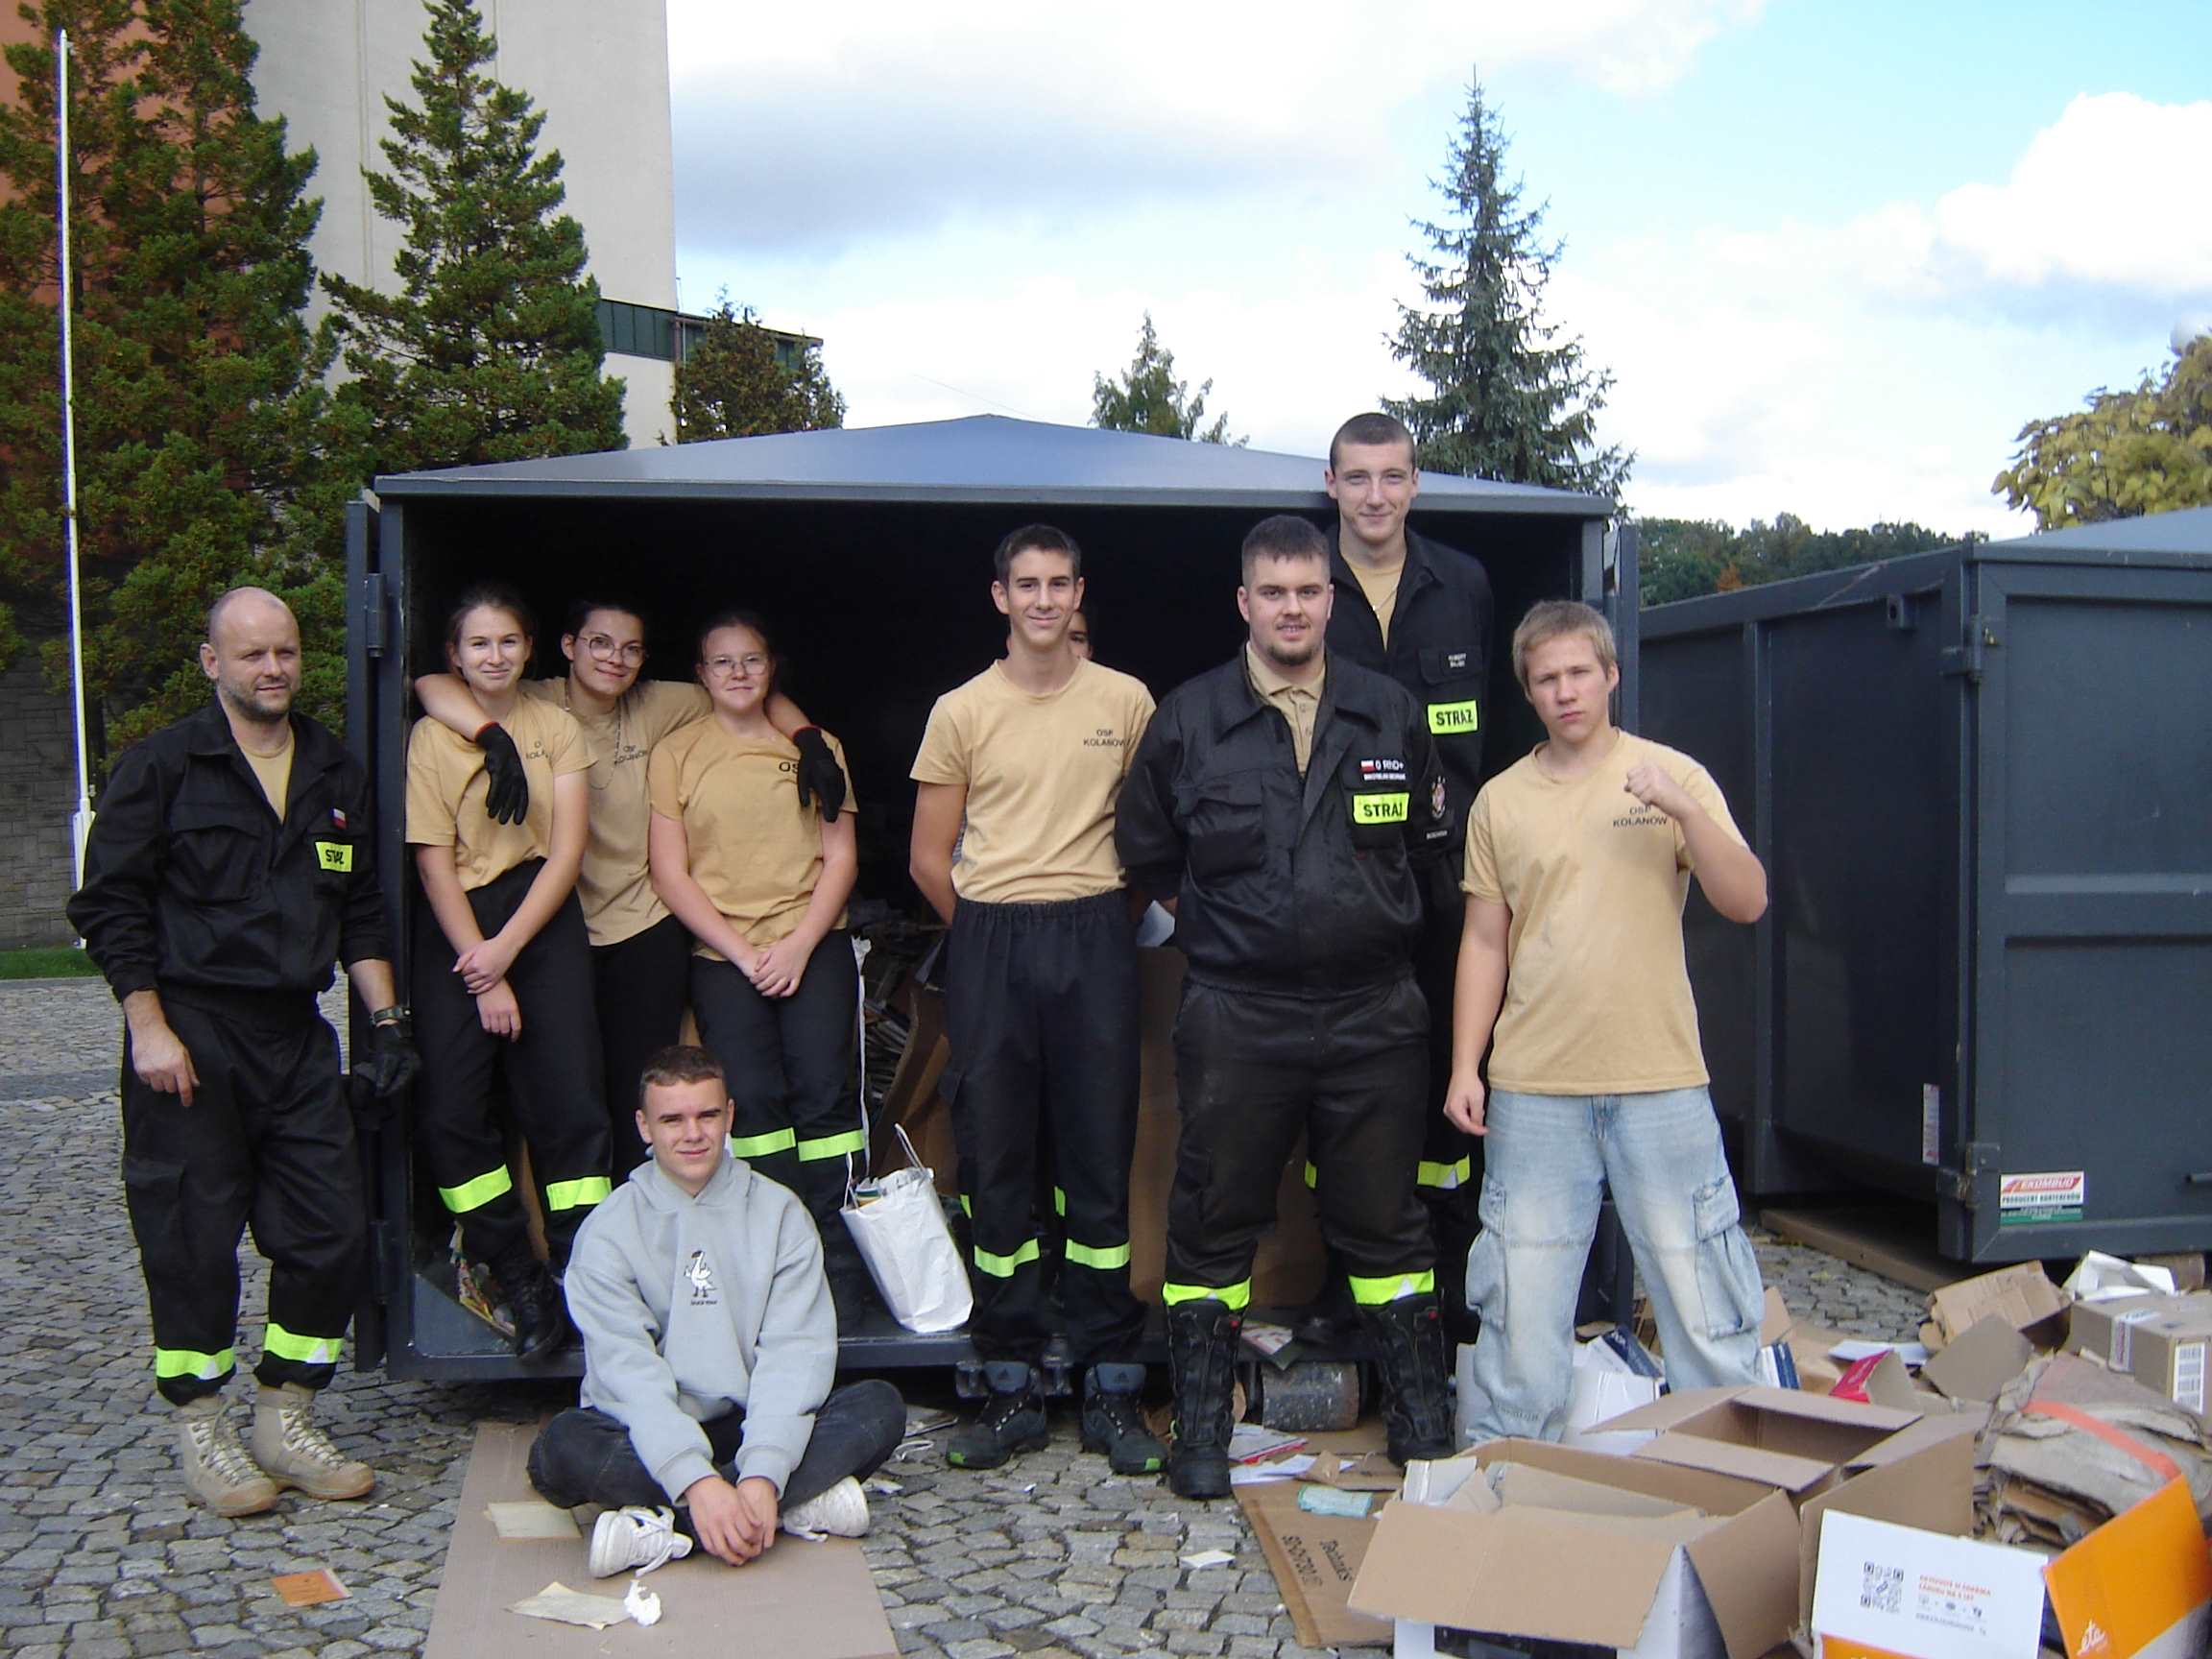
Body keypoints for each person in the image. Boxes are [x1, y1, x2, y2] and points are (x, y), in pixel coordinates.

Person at [1116, 515, 1456, 1500]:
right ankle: (1202, 1432)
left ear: (1330, 600)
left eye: (1308, 591)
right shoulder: (1189, 719)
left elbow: (1428, 850)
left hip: (1374, 1014)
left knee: (1387, 1223)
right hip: (1239, 1013)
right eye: (1274, 592)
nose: (1293, 609)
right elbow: (1148, 852)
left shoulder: (1389, 712)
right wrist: (1233, 930)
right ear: (1245, 603)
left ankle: (1421, 1420)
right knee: (1212, 1219)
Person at [67, 587, 420, 1517]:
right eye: (253, 654)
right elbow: (110, 906)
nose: (273, 669)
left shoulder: (333, 770)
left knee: (332, 1229)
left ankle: (285, 1415)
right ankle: (201, 1427)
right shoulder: (162, 767)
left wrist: (386, 1022)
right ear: (212, 662)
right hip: (190, 1032)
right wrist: (148, 1027)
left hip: (294, 1035)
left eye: (286, 652)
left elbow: (362, 910)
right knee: (191, 1237)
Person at [1448, 600, 1769, 1443]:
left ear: (1611, 675)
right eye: (1546, 679)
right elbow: (1484, 941)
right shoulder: (1500, 802)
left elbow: (1747, 900)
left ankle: (1733, 1470)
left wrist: (1685, 812)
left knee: (1700, 1290)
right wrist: (1464, 1066)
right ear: (1528, 690)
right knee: (1522, 1305)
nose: (1565, 692)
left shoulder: (1672, 776)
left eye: (1579, 674)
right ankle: (1510, 1471)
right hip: (1534, 1089)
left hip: (1660, 1079)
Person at [414, 596, 846, 1172]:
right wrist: (490, 732)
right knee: (558, 1087)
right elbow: (431, 684)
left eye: (631, 649)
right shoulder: (535, 699)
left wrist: (808, 737)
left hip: (641, 921)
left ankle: (647, 1203)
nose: (614, 659)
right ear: (567, 647)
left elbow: (748, 685)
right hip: (553, 924)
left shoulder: (660, 704)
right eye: (599, 643)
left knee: (638, 1086)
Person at [908, 524, 1165, 1476]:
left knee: (1098, 1157)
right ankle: (1008, 1381)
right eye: (1028, 584)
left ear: (1078, 592)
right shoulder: (961, 710)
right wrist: (989, 934)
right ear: (1001, 597)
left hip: (1096, 933)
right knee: (997, 1158)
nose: (1045, 599)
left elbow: (1148, 839)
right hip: (992, 938)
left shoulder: (1126, 700)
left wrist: (1101, 923)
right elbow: (927, 857)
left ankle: (1109, 1384)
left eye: (1060, 583)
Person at [529, 1046, 906, 1575]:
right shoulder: (608, 1231)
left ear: (729, 1116)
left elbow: (794, 1355)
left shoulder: (780, 1213)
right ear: (644, 1126)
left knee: (879, 1406)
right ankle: (784, 1506)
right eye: (672, 1120)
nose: (693, 1134)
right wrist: (697, 1482)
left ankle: (668, 1527)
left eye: (707, 1115)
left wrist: (762, 1475)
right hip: (653, 1431)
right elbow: (628, 1374)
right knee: (561, 1450)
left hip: (749, 1421)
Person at [645, 611, 875, 1329]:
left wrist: (801, 943)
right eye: (723, 662)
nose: (738, 673)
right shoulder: (677, 753)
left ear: (771, 668)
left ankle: (841, 1268)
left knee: (827, 1103)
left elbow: (841, 856)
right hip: (725, 957)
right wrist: (744, 953)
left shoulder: (816, 747)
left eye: (751, 660)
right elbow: (669, 872)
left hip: (814, 946)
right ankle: (776, 1262)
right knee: (753, 1106)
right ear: (701, 674)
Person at [1321, 411, 1495, 1343]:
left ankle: (1450, 1293)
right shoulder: (1307, 583)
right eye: (1357, 477)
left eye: (1392, 476)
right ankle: (1344, 1293)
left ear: (1415, 483)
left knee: (1448, 1076)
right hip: (1338, 878)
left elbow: (1495, 735)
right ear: (1332, 485)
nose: (1376, 495)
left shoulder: (1462, 584)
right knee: (1344, 1077)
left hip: (1447, 877)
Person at [406, 583, 611, 1360]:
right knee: (451, 1112)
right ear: (455, 655)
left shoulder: (555, 725)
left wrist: (511, 949)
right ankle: (514, 1271)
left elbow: (567, 851)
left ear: (529, 650)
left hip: (540, 918)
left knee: (569, 1103)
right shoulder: (432, 738)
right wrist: (485, 972)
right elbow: (433, 864)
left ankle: (580, 1274)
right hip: (459, 926)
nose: (494, 656)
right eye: (479, 644)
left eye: (508, 642)